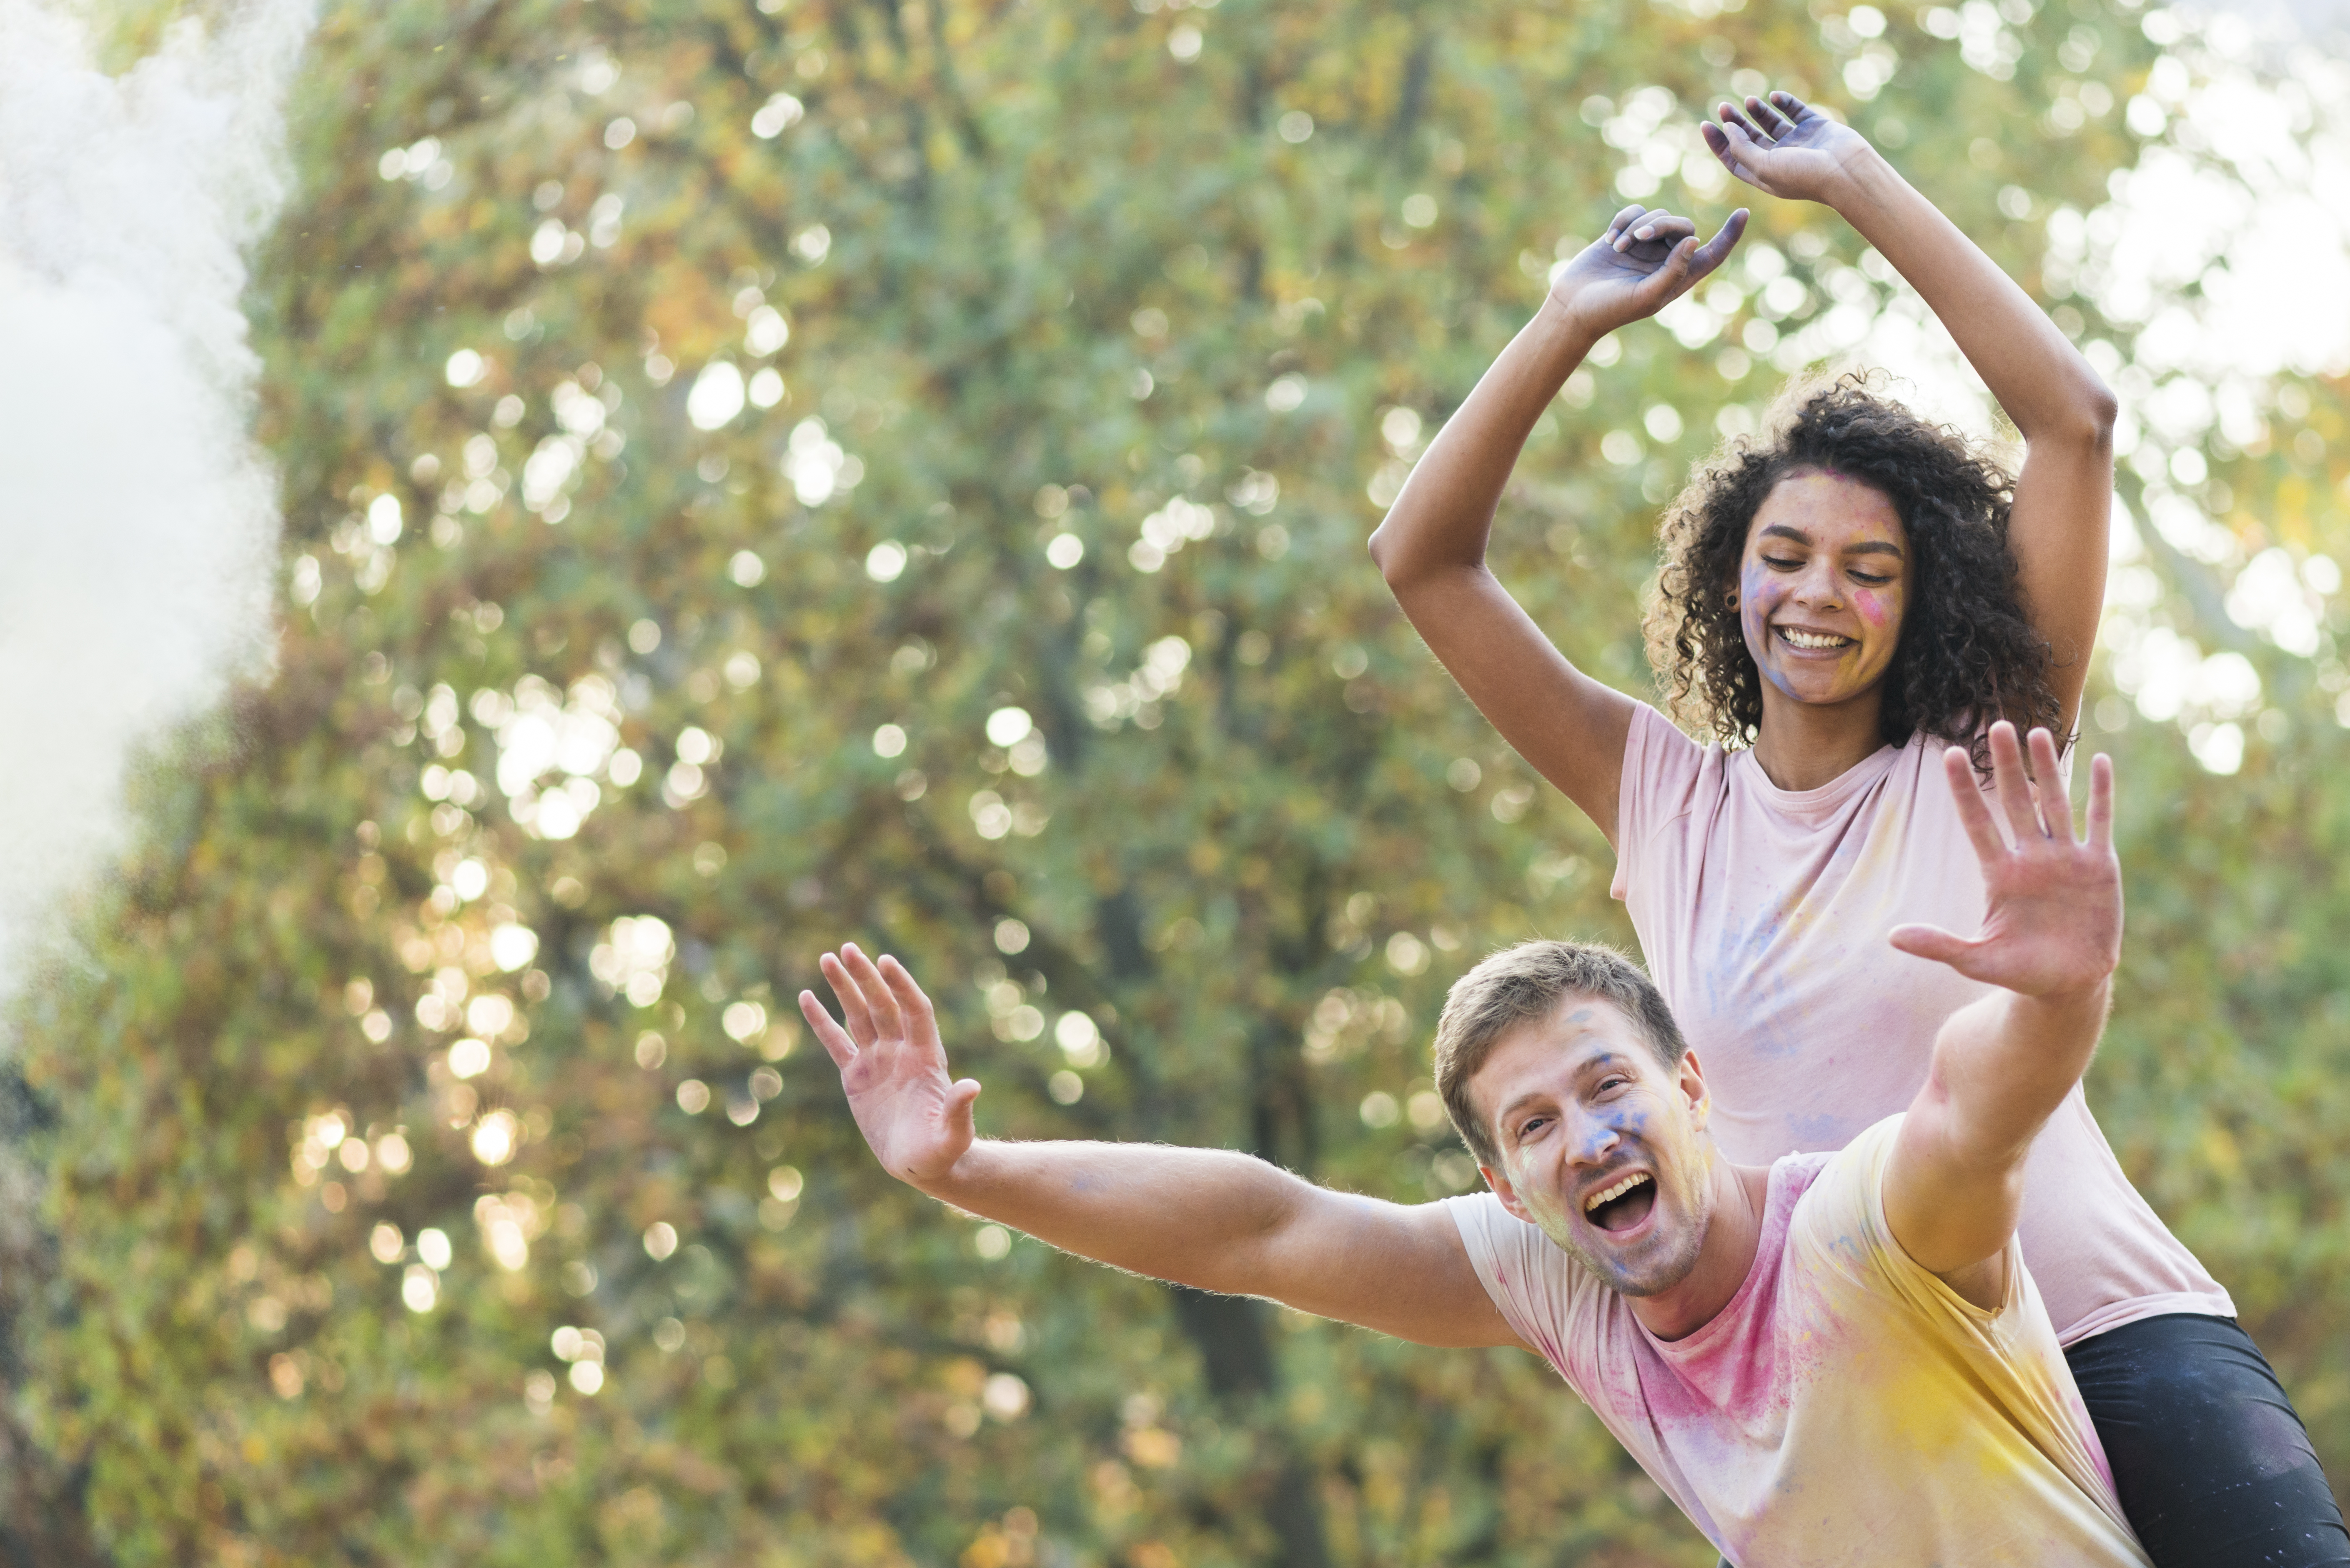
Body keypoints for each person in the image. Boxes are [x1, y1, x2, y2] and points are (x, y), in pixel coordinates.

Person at [1366, 88, 2346, 1563]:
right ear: (1730, 577)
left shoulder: (1984, 748)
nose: (1821, 594)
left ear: (1921, 598)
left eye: (1870, 568)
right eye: (1787, 555)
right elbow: (1424, 563)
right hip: (1867, 1406)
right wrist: (1566, 320)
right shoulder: (1659, 794)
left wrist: (1857, 180)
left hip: (2109, 1338)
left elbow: (2073, 422)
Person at [805, 726, 2157, 1564]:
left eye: (1608, 1084)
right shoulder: (1564, 1282)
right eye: (1536, 1125)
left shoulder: (1858, 1230)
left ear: (1692, 1084)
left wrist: (2059, 992)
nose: (1590, 1138)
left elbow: (1970, 1114)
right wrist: (966, 1172)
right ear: (1502, 1186)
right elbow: (1261, 1228)